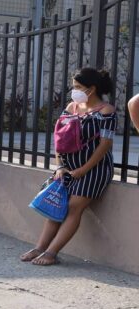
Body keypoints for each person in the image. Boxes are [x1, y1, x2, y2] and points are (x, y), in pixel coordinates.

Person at [20, 68, 116, 266]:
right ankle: (40, 248)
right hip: (67, 168)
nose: (75, 91)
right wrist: (60, 166)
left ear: (92, 89)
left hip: (94, 169)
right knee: (57, 204)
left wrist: (83, 169)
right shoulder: (71, 107)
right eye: (74, 86)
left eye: (79, 87)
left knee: (73, 207)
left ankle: (51, 252)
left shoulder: (107, 111)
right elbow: (60, 139)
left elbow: (105, 145)